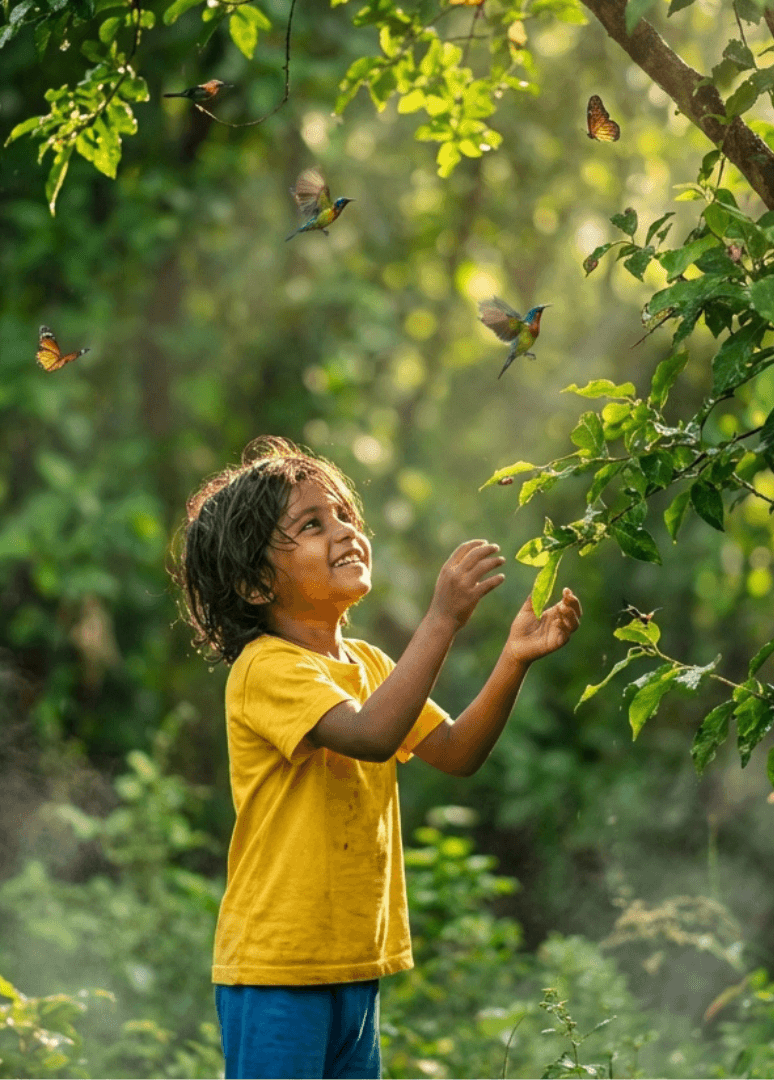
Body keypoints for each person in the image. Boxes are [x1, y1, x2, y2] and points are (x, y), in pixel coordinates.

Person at [174, 436, 582, 1079]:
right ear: (256, 583)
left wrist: (512, 660)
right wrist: (443, 618)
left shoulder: (367, 665)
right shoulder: (266, 668)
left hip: (353, 966)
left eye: (343, 516)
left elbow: (455, 751)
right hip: (278, 970)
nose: (343, 532)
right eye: (312, 524)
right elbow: (369, 735)